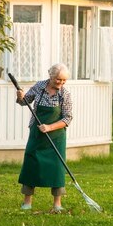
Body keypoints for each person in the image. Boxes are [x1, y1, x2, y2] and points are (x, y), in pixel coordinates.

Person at [16, 63, 73, 213]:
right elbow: (25, 102)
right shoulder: (39, 86)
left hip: (56, 137)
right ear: (51, 76)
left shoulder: (65, 94)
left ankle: (57, 204)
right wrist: (20, 96)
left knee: (57, 168)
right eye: (58, 80)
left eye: (64, 81)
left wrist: (49, 127)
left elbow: (67, 118)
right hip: (37, 134)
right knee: (31, 164)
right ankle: (27, 203)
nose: (61, 83)